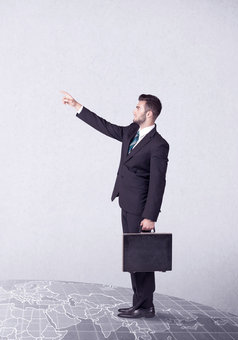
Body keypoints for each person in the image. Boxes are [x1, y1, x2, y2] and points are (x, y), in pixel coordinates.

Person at [61, 91, 169, 319]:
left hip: (141, 209)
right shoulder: (132, 132)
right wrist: (78, 106)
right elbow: (106, 127)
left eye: (138, 108)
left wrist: (150, 216)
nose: (134, 110)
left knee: (142, 257)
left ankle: (145, 306)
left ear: (149, 113)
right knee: (134, 256)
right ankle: (140, 303)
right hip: (126, 202)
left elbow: (159, 183)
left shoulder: (159, 145)